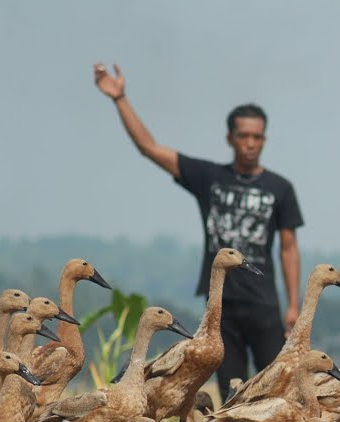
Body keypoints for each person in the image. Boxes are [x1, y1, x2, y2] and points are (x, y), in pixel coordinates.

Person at [93, 62, 304, 403]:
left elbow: (288, 248)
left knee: (277, 390)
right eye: (243, 136)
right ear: (230, 138)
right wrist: (120, 99)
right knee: (230, 392)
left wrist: (293, 305)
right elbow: (150, 148)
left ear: (264, 139)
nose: (250, 143)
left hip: (264, 303)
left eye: (257, 137)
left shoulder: (280, 188)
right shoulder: (210, 178)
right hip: (220, 308)